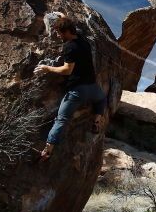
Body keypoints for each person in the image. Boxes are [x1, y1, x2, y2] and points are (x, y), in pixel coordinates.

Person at [35, 16, 106, 160]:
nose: (59, 35)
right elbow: (67, 20)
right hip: (92, 88)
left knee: (61, 120)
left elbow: (67, 70)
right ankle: (96, 120)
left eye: (60, 33)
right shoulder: (83, 39)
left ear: (67, 31)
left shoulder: (70, 47)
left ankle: (47, 150)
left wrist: (47, 68)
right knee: (102, 99)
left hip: (77, 92)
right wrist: (62, 17)